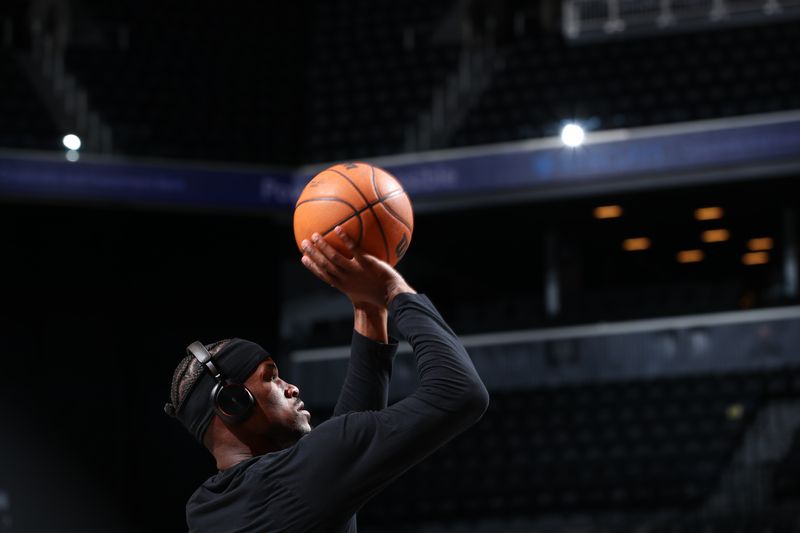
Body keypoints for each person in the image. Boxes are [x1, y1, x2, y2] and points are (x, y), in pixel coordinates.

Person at [164, 226, 490, 532]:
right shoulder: (291, 482)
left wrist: (368, 306)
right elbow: (460, 391)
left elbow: (346, 432)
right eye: (271, 378)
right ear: (233, 402)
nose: (291, 387)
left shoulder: (205, 507)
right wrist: (393, 290)